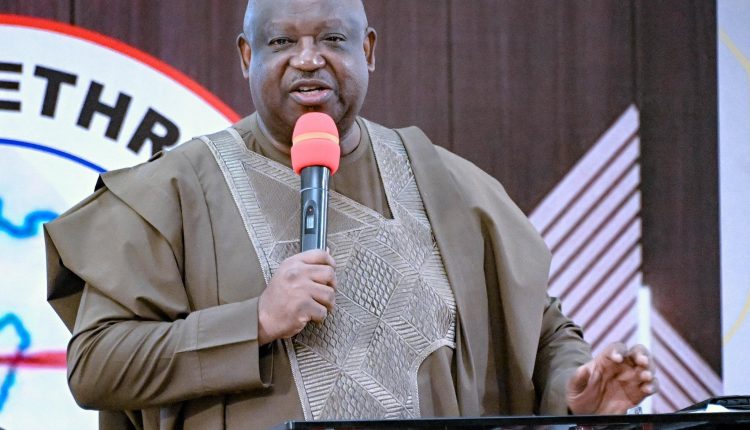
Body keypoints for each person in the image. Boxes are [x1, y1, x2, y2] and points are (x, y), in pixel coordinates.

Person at [45, 0, 657, 429]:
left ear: (368, 49)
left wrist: (574, 393)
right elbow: (96, 364)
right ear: (246, 55)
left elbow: (540, 326)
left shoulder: (443, 182)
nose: (308, 60)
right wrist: (254, 322)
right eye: (282, 42)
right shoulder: (177, 189)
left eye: (332, 40)